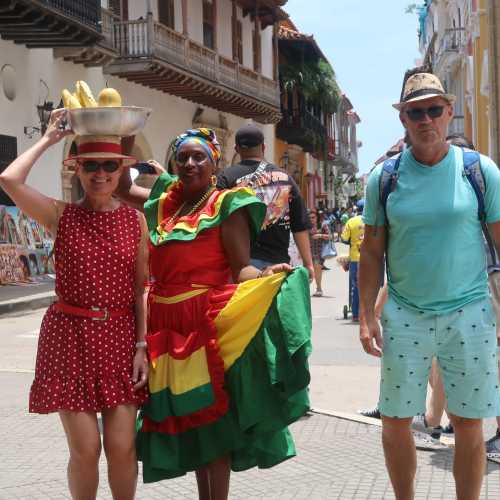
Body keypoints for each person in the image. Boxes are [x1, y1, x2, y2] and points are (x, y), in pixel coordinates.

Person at [117, 128, 312, 499]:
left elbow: (241, 267)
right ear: (174, 162)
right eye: (183, 157)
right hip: (165, 326)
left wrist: (266, 273)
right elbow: (122, 189)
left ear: (215, 162)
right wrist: (127, 133)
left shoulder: (227, 205)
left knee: (212, 426)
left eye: (199, 157)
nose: (190, 163)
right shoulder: (165, 203)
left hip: (204, 324)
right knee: (191, 426)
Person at [359, 69, 500, 500]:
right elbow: (371, 252)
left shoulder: (479, 171)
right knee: (396, 421)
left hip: (470, 311)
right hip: (405, 313)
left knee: (469, 421)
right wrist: (367, 317)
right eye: (415, 112)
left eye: (433, 110)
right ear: (403, 119)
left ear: (449, 112)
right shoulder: (384, 179)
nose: (425, 120)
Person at [0, 109, 149, 500]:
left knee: (122, 449)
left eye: (108, 166)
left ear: (120, 171)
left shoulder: (136, 222)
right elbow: (8, 179)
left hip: (120, 338)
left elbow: (140, 290)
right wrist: (49, 138)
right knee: (85, 450)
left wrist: (142, 346)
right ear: (77, 171)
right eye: (89, 165)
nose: (99, 173)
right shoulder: (60, 216)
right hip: (70, 339)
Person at [216, 123, 314, 279]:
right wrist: (308, 264)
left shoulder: (225, 178)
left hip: (240, 267)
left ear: (237, 149)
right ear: (263, 147)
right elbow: (300, 225)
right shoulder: (285, 178)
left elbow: (215, 221)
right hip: (278, 265)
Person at [341, 199, 365, 321]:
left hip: (355, 258)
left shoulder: (351, 221)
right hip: (371, 259)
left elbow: (344, 239)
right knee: (371, 285)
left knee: (356, 286)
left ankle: (355, 314)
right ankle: (369, 313)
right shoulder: (373, 221)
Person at [309, 210, 330, 297]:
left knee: (317, 269)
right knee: (308, 271)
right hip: (308, 251)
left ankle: (319, 288)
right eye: (309, 218)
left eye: (313, 217)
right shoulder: (306, 226)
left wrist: (320, 235)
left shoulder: (323, 225)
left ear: (317, 217)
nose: (311, 219)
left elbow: (330, 236)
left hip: (319, 252)